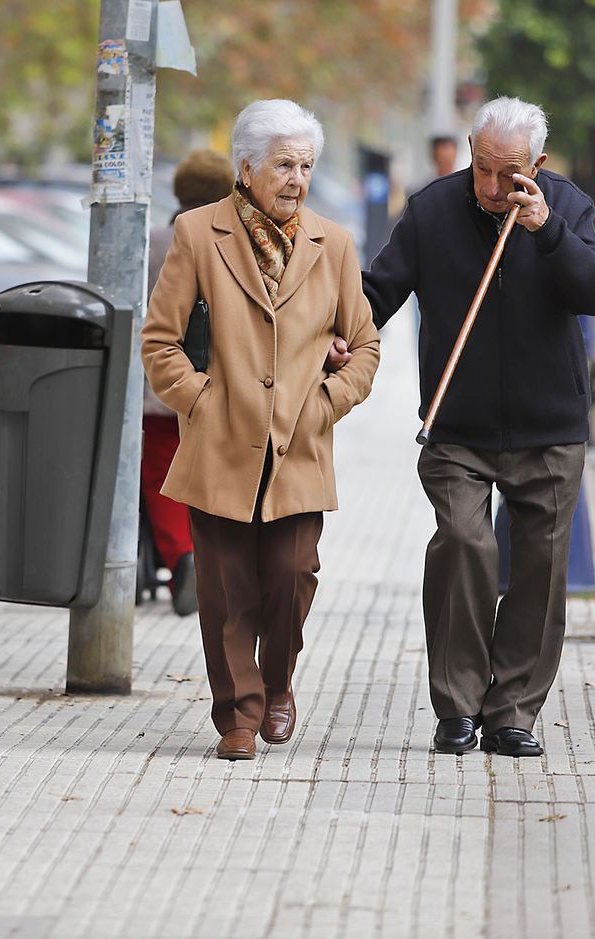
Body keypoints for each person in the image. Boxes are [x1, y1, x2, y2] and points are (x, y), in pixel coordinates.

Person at [353, 96, 595, 758]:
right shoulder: (433, 209)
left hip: (550, 427)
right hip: (457, 428)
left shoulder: (568, 206)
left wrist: (546, 229)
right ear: (471, 151)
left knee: (541, 567)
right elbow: (378, 292)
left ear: (539, 164)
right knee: (466, 543)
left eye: (511, 174)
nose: (495, 188)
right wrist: (341, 332)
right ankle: (458, 702)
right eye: (484, 170)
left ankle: (513, 712)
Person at [142, 99, 380, 761]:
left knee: (291, 575)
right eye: (283, 164)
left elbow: (364, 345)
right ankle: (239, 716)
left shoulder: (334, 243)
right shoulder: (198, 234)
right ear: (246, 167)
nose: (297, 178)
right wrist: (200, 401)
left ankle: (279, 682)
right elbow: (160, 341)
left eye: (305, 165)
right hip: (221, 443)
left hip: (300, 447)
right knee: (224, 591)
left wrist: (328, 401)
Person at [143, 150, 234, 616]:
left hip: (161, 388)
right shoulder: (231, 239)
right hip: (217, 384)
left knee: (162, 476)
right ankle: (210, 561)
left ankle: (183, 558)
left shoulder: (158, 240)